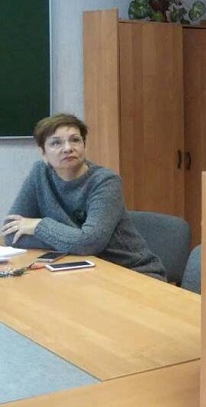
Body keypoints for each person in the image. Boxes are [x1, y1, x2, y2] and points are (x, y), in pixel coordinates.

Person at [1, 113, 167, 281]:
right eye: (56, 143)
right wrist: (74, 241)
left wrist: (39, 226)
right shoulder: (39, 174)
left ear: (84, 146)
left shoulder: (105, 181)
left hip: (133, 272)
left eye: (75, 140)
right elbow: (10, 234)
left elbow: (90, 243)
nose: (68, 148)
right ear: (43, 152)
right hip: (84, 271)